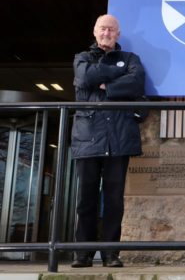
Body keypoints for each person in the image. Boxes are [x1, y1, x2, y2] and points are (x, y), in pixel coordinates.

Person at [70, 14, 146, 268]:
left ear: (118, 34)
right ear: (95, 31)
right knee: (86, 199)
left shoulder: (132, 60)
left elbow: (136, 83)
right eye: (103, 28)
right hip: (88, 136)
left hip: (119, 138)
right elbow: (84, 78)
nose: (106, 33)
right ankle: (83, 252)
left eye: (111, 30)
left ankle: (111, 253)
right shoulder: (82, 58)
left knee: (114, 200)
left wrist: (107, 85)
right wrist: (116, 72)